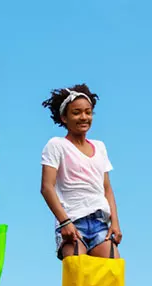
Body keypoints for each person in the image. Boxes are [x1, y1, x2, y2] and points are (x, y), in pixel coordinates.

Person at [40, 84, 122, 259]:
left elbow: (107, 188)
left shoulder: (100, 147)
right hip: (73, 222)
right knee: (77, 277)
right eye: (76, 113)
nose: (83, 117)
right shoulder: (56, 145)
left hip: (100, 222)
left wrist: (115, 222)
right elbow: (47, 187)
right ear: (64, 117)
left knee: (111, 275)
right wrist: (65, 222)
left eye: (88, 112)